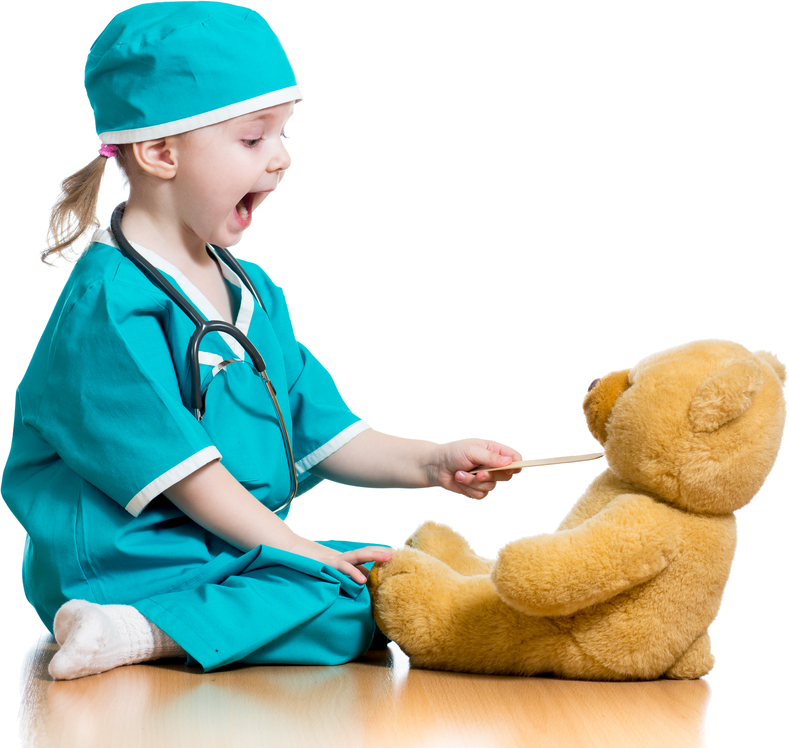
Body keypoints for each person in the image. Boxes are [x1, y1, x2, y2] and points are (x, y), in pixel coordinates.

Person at [1, 1, 521, 681]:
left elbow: (325, 431)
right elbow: (191, 480)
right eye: (253, 139)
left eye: (283, 133)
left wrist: (432, 462)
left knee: (379, 574)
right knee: (343, 596)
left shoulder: (251, 293)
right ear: (161, 152)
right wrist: (299, 551)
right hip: (121, 560)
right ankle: (128, 625)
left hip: (210, 550)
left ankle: (157, 628)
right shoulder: (107, 307)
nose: (281, 159)